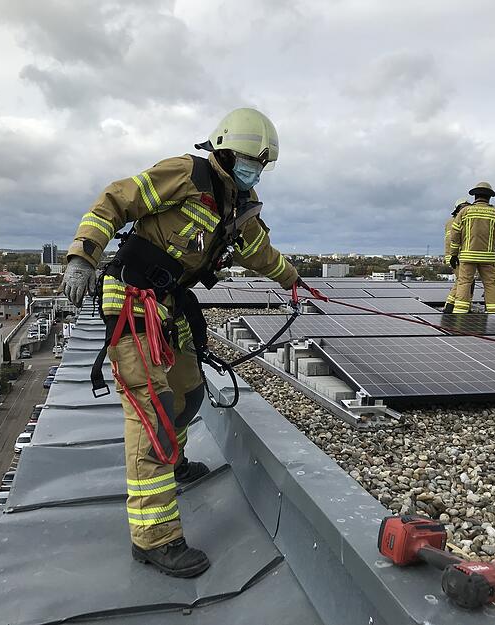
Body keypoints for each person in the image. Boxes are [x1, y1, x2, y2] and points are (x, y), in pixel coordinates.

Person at [60, 108, 300, 578]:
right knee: (152, 414)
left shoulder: (241, 204)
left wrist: (291, 278)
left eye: (261, 165)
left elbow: (258, 252)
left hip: (169, 303)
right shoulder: (185, 175)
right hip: (132, 300)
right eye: (249, 161)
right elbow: (115, 200)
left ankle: (176, 462)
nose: (255, 171)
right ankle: (154, 539)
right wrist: (82, 256)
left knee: (188, 393)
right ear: (225, 152)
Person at [450, 182, 495, 314]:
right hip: (487, 257)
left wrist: (453, 254)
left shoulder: (465, 212)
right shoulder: (494, 212)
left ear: (475, 196)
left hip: (467, 256)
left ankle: (459, 314)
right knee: (490, 284)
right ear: (489, 197)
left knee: (464, 283)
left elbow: (455, 234)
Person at [443, 197, 469, 313]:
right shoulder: (458, 221)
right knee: (466, 282)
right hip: (456, 256)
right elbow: (455, 240)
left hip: (452, 256)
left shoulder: (450, 222)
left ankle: (449, 306)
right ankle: (460, 308)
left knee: (460, 281)